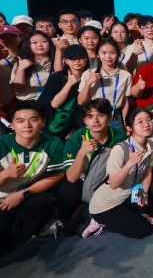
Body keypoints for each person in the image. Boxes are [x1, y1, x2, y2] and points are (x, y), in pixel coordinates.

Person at [0, 101, 65, 260]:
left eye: (33, 119)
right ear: (12, 125)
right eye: (20, 121)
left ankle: (24, 226)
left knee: (45, 200)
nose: (27, 125)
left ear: (42, 122)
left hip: (25, 195)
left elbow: (56, 176)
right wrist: (5, 174)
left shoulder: (53, 144)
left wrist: (23, 193)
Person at [84, 107, 153, 239]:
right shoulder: (120, 149)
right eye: (140, 122)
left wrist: (144, 192)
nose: (146, 124)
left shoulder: (149, 143)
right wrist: (129, 164)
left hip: (129, 194)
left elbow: (148, 171)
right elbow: (113, 184)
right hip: (106, 204)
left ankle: (129, 214)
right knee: (144, 230)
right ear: (129, 128)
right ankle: (99, 221)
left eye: (148, 120)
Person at [52, 99, 124, 237]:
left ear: (110, 117)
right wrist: (81, 153)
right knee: (68, 193)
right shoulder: (76, 138)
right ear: (85, 121)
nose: (95, 121)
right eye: (90, 117)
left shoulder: (119, 135)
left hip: (105, 179)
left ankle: (91, 214)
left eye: (100, 115)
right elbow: (71, 177)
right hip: (81, 179)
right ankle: (63, 220)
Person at [77, 39, 132, 129]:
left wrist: (126, 123)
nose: (108, 56)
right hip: (94, 115)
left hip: (115, 116)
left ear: (118, 54)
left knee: (118, 138)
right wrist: (89, 83)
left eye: (112, 53)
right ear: (97, 55)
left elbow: (125, 102)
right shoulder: (88, 74)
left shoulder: (125, 75)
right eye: (104, 53)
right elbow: (80, 102)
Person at [39, 44, 88, 139]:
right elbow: (54, 104)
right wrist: (69, 83)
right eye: (73, 58)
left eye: (81, 57)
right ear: (65, 60)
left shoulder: (90, 77)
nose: (77, 61)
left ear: (86, 59)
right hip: (54, 122)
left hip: (78, 123)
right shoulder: (57, 77)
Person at [11, 30, 58, 101]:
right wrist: (21, 69)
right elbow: (16, 91)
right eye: (34, 42)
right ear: (28, 45)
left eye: (44, 41)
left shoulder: (59, 61)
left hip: (54, 103)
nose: (39, 45)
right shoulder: (21, 63)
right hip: (29, 104)